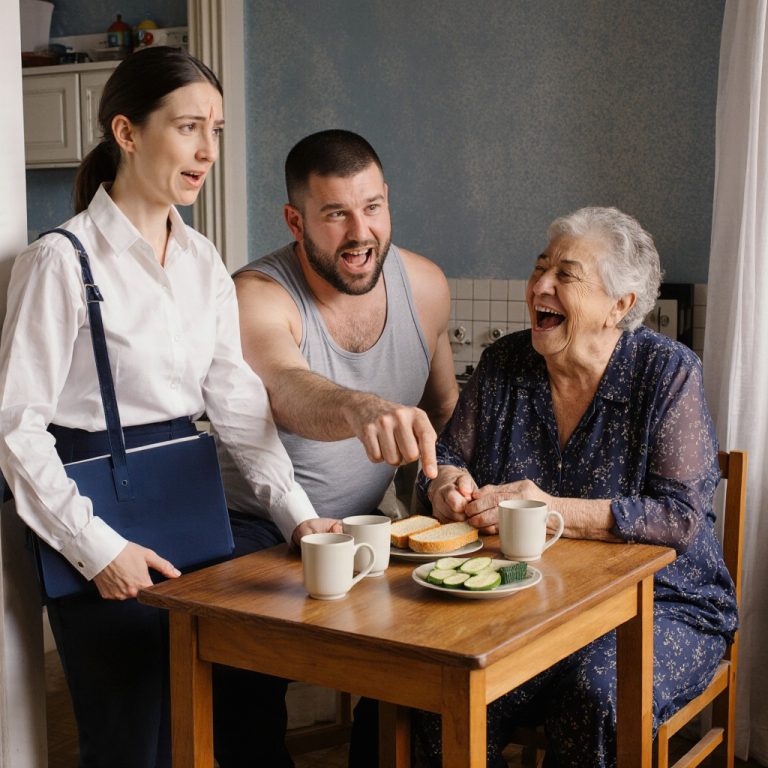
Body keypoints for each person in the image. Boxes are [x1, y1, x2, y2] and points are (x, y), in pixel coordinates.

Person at [0, 47, 316, 768]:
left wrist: (296, 513)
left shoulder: (202, 258)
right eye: (188, 127)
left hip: (188, 500)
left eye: (217, 130)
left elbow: (234, 400)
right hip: (94, 509)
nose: (207, 150)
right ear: (128, 132)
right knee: (132, 746)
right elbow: (16, 429)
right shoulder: (60, 260)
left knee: (211, 724)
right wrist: (98, 551)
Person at [412, 207, 738, 767]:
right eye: (540, 269)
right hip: (529, 600)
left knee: (594, 696)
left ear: (620, 305)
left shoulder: (667, 373)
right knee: (437, 686)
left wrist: (551, 509)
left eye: (566, 274)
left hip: (664, 604)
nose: (540, 286)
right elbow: (445, 456)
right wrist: (445, 483)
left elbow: (680, 517)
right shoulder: (506, 363)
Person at [214, 129, 459, 766]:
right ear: (296, 220)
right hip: (255, 527)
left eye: (372, 207)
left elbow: (445, 409)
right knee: (242, 673)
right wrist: (358, 406)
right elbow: (285, 388)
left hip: (370, 527)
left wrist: (448, 476)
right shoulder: (254, 294)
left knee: (424, 663)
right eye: (335, 214)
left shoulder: (425, 285)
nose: (360, 232)